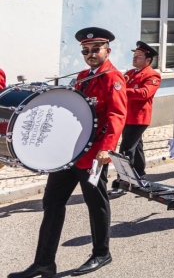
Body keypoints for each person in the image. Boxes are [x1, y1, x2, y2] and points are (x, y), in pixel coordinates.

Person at [10, 28, 127, 278]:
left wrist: (107, 148)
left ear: (108, 49)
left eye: (96, 48)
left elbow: (118, 115)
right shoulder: (83, 76)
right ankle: (44, 262)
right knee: (52, 203)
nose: (90, 53)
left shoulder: (113, 78)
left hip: (93, 153)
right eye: (86, 50)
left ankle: (101, 253)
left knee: (96, 204)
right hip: (68, 154)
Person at [108, 41, 162, 199]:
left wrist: (123, 90)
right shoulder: (130, 73)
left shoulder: (152, 75)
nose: (135, 58)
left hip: (139, 118)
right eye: (134, 56)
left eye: (138, 56)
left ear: (148, 60)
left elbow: (144, 93)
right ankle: (140, 175)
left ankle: (123, 182)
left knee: (126, 150)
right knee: (136, 147)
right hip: (127, 116)